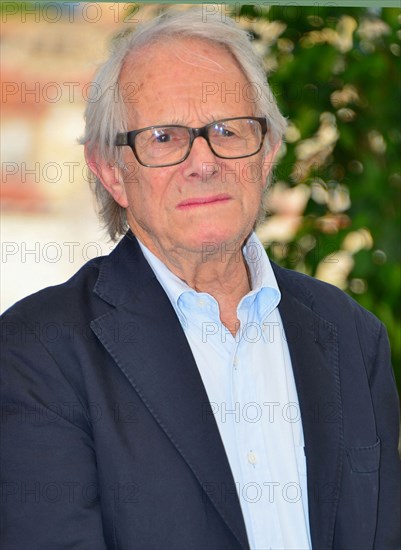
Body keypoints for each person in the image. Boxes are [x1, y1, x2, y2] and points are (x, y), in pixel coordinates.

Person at [1, 8, 400, 550]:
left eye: (227, 130)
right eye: (164, 137)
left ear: (268, 153)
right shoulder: (36, 353)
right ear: (112, 171)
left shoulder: (353, 335)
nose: (203, 162)